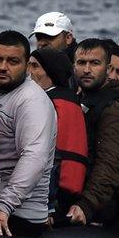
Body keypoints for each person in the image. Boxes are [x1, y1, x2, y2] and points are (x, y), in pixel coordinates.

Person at [0, 32, 56, 237]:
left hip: (18, 213)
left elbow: (35, 157)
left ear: (27, 66)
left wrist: (3, 207)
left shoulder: (32, 101)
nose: (3, 67)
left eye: (13, 61)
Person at [66, 38, 119, 226]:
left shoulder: (114, 109)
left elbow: (110, 165)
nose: (87, 70)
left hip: (103, 208)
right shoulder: (81, 100)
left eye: (94, 63)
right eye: (81, 63)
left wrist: (86, 205)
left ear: (107, 68)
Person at [27, 47, 88, 225]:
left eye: (35, 66)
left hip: (51, 194)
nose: (29, 71)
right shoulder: (71, 102)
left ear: (51, 71)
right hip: (67, 191)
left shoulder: (48, 103)